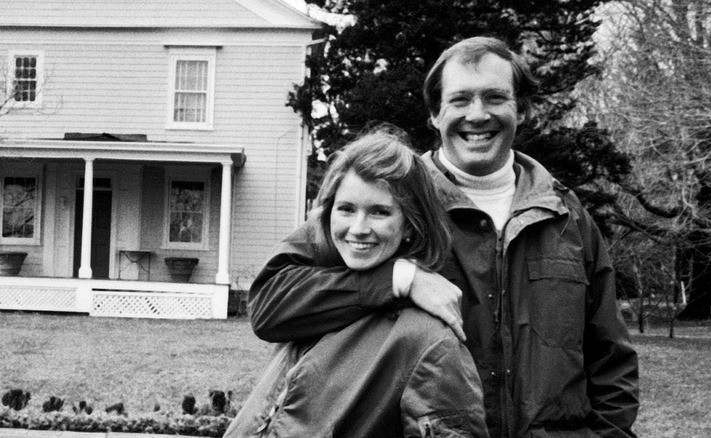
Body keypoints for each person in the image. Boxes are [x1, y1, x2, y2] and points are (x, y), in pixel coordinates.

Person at [250, 36, 639, 437]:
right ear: (435, 114)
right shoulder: (388, 199)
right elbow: (270, 302)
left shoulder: (566, 215)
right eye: (459, 100)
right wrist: (399, 281)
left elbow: (612, 360)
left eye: (494, 98)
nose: (477, 114)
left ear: (520, 109)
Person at [228, 127, 489, 437]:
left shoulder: (430, 340)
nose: (358, 228)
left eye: (380, 212)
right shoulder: (314, 292)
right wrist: (398, 279)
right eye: (346, 209)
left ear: (409, 225)